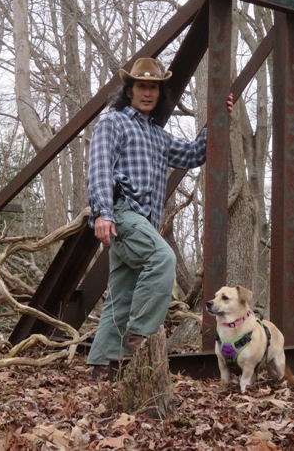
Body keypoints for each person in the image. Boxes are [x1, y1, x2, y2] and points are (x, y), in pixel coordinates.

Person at [86, 57, 232, 377]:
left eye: (153, 87)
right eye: (142, 86)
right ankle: (142, 335)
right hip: (122, 213)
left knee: (122, 293)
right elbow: (98, 169)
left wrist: (218, 120)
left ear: (159, 93)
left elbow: (194, 154)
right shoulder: (113, 123)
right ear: (130, 90)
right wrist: (103, 213)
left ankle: (102, 366)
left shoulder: (158, 136)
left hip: (143, 222)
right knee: (162, 258)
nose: (148, 93)